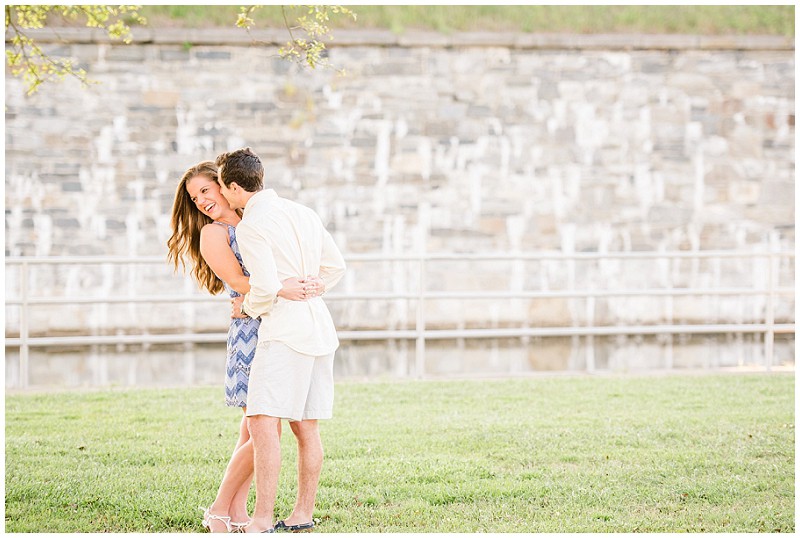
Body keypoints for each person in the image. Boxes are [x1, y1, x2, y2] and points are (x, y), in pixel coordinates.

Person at [167, 161, 325, 533]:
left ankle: (234, 511)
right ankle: (220, 508)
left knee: (252, 430)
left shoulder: (257, 220)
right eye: (194, 197)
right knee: (262, 428)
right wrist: (285, 288)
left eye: (206, 190)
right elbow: (238, 280)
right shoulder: (214, 234)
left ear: (226, 186)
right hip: (251, 329)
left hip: (276, 321)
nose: (202, 201)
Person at [214, 148, 346, 534]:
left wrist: (247, 308)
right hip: (319, 326)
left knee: (262, 423)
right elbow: (335, 267)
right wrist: (315, 285)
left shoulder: (252, 225)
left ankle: (261, 520)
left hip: (285, 333)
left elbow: (267, 285)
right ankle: (302, 514)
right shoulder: (303, 212)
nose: (221, 194)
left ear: (236, 187)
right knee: (307, 427)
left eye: (222, 186)